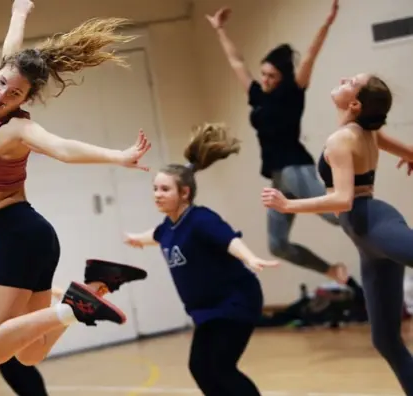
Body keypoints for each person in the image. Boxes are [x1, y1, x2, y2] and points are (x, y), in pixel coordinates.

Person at [0, 0, 152, 367]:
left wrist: (118, 156)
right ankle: (96, 284)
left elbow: (63, 149)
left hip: (20, 234)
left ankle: (76, 305)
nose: (2, 94)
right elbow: (10, 51)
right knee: (30, 354)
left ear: (26, 99)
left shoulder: (17, 128)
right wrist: (19, 13)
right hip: (34, 237)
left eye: (14, 93)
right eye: (1, 83)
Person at [261, 73, 413, 394]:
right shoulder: (363, 131)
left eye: (351, 81)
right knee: (385, 339)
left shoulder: (342, 139)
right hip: (366, 240)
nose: (343, 78)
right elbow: (408, 151)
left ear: (354, 104)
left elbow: (343, 199)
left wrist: (289, 205)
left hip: (374, 223)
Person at [205, 0, 355, 285]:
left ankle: (374, 218)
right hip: (277, 176)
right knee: (277, 245)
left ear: (283, 77)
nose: (265, 79)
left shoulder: (293, 91)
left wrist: (327, 23)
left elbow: (310, 55)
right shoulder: (258, 95)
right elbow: (237, 62)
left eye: (272, 76)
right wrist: (220, 30)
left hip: (295, 168)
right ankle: (331, 271)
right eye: (263, 74)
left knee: (336, 216)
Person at [124, 123, 279, 395]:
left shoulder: (200, 219)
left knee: (218, 367)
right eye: (155, 188)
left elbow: (229, 239)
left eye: (164, 189)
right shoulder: (170, 225)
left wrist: (250, 257)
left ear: (184, 193)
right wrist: (137, 238)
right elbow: (157, 235)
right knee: (201, 367)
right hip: (209, 310)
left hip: (235, 302)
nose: (157, 194)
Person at [0, 180, 146, 394]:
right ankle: (90, 288)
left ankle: (73, 304)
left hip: (14, 296)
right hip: (3, 296)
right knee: (31, 355)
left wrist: (51, 289)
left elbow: (25, 263)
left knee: (2, 354)